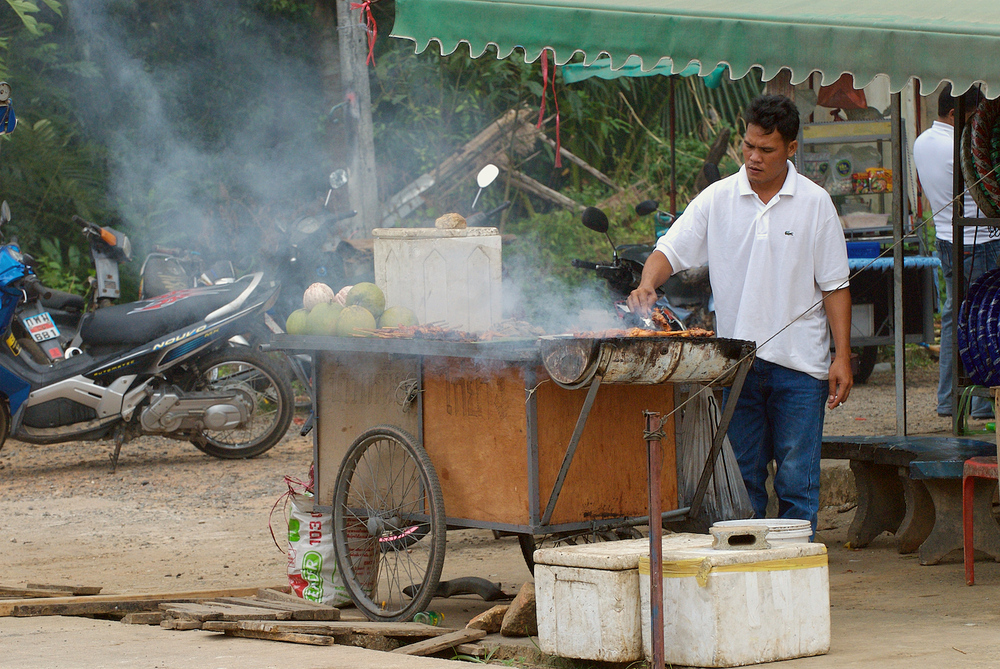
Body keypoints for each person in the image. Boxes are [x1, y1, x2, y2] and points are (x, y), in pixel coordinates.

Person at [627, 94, 852, 531]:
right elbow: (670, 249)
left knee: (796, 483)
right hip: (739, 366)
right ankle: (748, 574)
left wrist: (840, 356)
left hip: (801, 367)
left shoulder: (815, 202)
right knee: (742, 479)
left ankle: (794, 572)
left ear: (790, 149)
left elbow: (835, 286)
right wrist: (647, 283)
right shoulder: (717, 198)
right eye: (748, 146)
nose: (753, 157)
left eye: (766, 149)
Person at [912, 84, 999, 420]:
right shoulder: (958, 146)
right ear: (957, 113)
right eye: (975, 116)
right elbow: (983, 191)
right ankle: (980, 402)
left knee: (955, 320)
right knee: (985, 322)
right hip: (979, 243)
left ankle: (948, 399)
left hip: (947, 241)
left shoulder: (923, 142)